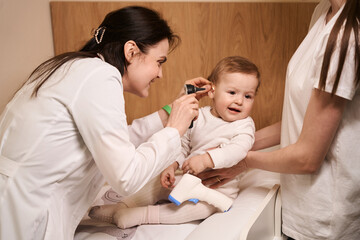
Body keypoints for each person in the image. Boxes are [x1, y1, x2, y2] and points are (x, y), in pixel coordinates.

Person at [0, 6, 211, 240]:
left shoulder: (77, 68)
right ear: (131, 51)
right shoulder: (101, 76)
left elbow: (113, 143)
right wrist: (174, 131)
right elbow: (126, 178)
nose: (160, 74)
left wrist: (173, 110)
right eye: (159, 62)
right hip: (28, 216)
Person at [199, 0, 360, 239]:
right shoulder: (321, 12)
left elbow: (308, 158)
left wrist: (242, 160)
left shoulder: (346, 36)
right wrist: (237, 145)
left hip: (325, 211)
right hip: (297, 200)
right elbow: (306, 120)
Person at [88, 56, 261, 229]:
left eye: (248, 96)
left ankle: (141, 215)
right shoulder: (199, 114)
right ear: (212, 91)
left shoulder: (244, 125)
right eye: (232, 93)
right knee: (155, 184)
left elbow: (238, 150)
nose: (239, 101)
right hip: (185, 180)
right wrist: (172, 165)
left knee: (198, 209)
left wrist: (206, 160)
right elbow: (183, 144)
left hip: (214, 189)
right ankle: (122, 207)